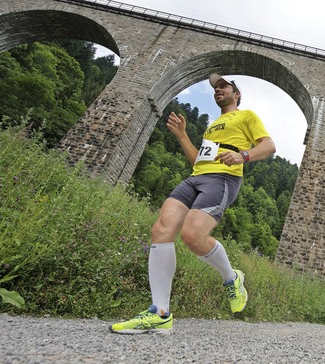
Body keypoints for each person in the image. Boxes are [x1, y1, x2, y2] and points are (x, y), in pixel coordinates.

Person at [110, 73, 276, 334]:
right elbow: (198, 160)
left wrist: (243, 155)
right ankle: (160, 313)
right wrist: (181, 135)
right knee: (161, 230)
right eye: (216, 88)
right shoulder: (213, 125)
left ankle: (232, 278)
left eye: (224, 86)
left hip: (222, 179)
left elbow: (269, 146)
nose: (218, 90)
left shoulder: (247, 117)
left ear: (237, 94)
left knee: (191, 235)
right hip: (196, 178)